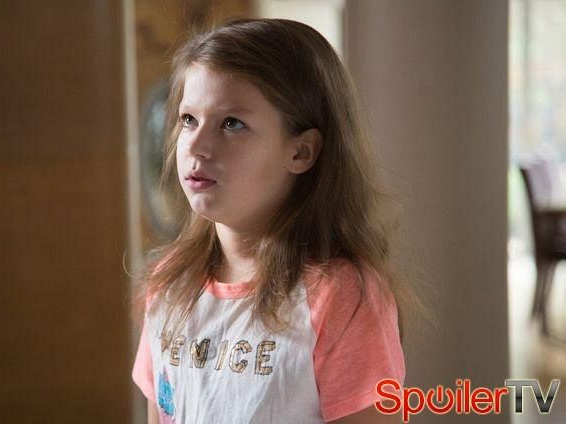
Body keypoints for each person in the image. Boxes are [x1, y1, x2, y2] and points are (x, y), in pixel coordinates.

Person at [132, 18, 413, 424]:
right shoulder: (168, 286)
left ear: (301, 153)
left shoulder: (341, 298)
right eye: (188, 119)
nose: (196, 145)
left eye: (232, 124)